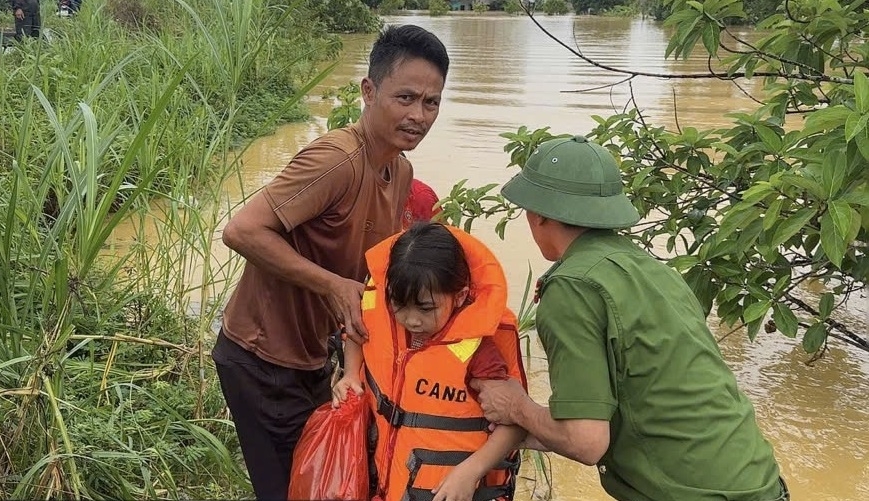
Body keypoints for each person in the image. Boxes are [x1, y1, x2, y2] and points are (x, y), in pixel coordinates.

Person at [471, 136, 789, 501]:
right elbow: (654, 395)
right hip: (761, 484)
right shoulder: (654, 270)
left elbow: (585, 441)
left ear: (538, 212)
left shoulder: (572, 288)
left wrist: (516, 406)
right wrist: (538, 428)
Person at [212, 24, 449, 500]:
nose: (418, 115)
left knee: (323, 482)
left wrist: (354, 366)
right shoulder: (336, 160)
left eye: (431, 102)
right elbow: (241, 230)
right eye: (405, 97)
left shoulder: (399, 171)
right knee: (290, 489)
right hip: (262, 360)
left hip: (313, 358)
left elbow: (373, 276)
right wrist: (331, 286)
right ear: (368, 91)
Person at [332, 222, 527, 501]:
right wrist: (350, 373)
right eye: (399, 305)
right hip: (386, 483)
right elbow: (358, 332)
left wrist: (471, 471)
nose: (412, 320)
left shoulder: (479, 352)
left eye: (426, 308)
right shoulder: (381, 312)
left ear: (459, 296)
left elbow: (516, 422)